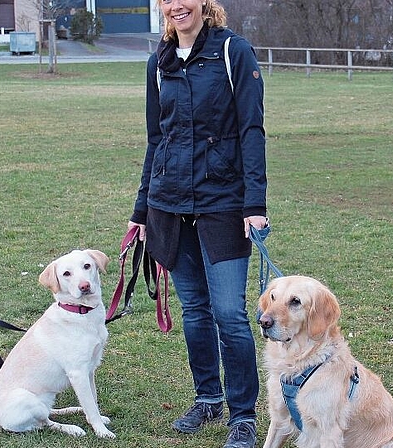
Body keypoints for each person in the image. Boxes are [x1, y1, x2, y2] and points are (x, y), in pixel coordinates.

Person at [127, 0, 267, 447]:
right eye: (167, 0)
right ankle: (208, 398)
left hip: (223, 201)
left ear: (206, 3)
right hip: (169, 205)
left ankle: (243, 415)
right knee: (195, 312)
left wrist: (255, 202)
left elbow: (251, 129)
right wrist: (142, 210)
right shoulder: (158, 61)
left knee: (230, 313)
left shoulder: (233, 52)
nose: (175, 6)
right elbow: (156, 139)